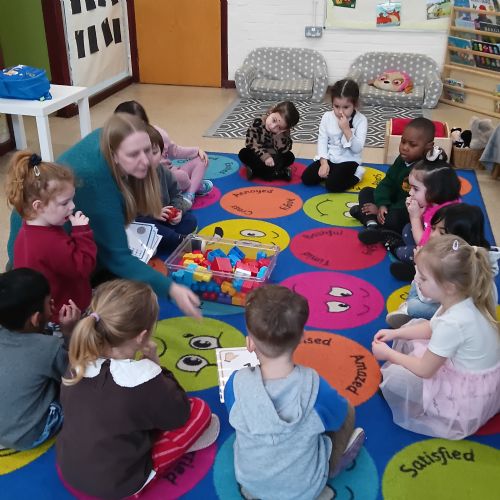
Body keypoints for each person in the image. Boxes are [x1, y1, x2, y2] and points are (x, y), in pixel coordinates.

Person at [7, 113, 201, 318]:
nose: (145, 160)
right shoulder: (96, 185)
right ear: (114, 155)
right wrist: (172, 290)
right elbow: (116, 258)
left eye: (148, 150)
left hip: (52, 245)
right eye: (133, 154)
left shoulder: (109, 138)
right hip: (44, 287)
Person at [56, 279, 219, 499]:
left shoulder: (77, 360)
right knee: (200, 411)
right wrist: (157, 366)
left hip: (68, 469)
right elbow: (179, 415)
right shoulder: (146, 377)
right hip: (119, 484)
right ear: (142, 336)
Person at [225, 285, 365, 500]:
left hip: (251, 483)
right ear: (302, 337)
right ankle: (334, 465)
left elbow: (235, 415)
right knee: (347, 409)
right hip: (305, 490)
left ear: (250, 343)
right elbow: (337, 419)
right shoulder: (315, 387)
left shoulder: (235, 383)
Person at [372, 235, 500, 440]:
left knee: (393, 379)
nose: (416, 281)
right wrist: (396, 333)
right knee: (412, 327)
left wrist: (388, 354)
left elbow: (425, 369)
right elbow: (432, 327)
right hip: (480, 378)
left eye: (423, 278)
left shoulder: (453, 322)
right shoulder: (461, 298)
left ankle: (436, 405)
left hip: (465, 400)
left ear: (449, 286)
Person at [6, 151, 96, 324]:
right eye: (65, 202)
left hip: (49, 310)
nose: (72, 206)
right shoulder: (49, 242)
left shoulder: (28, 229)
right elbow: (84, 267)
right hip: (66, 315)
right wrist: (82, 232)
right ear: (39, 206)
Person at [0, 268, 80, 450]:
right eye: (49, 303)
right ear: (36, 318)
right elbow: (74, 374)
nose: (53, 305)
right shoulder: (49, 347)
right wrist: (70, 334)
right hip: (28, 434)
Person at [387, 203, 500, 328]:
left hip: (458, 316)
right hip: (447, 300)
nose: (432, 235)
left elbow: (426, 297)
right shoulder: (465, 254)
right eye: (433, 228)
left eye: (442, 233)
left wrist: (420, 268)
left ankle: (409, 309)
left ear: (460, 238)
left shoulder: (456, 267)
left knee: (414, 305)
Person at [351, 117, 435, 242]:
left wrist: (385, 210)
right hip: (391, 202)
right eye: (403, 142)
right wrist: (382, 204)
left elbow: (412, 201)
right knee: (366, 191)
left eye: (412, 145)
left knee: (394, 219)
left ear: (428, 147)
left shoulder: (424, 170)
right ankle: (372, 224)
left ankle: (369, 219)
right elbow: (388, 182)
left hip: (406, 209)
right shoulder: (401, 159)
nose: (405, 147)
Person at [114, 100, 212, 207]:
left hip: (170, 172)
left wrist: (196, 150)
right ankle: (195, 185)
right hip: (151, 181)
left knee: (201, 161)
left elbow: (175, 150)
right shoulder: (121, 143)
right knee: (181, 177)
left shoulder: (157, 134)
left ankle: (190, 193)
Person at [388, 157, 461, 281]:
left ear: (435, 191)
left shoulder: (443, 217)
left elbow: (425, 245)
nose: (410, 193)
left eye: (415, 189)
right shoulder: (437, 201)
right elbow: (424, 225)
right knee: (407, 229)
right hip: (429, 243)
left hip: (438, 257)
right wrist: (417, 214)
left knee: (403, 252)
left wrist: (415, 217)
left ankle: (420, 272)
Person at [135, 125, 197, 253]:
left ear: (161, 153)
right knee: (143, 226)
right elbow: (129, 211)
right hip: (145, 220)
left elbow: (177, 195)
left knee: (190, 220)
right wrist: (153, 213)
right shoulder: (131, 177)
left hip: (164, 220)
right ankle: (177, 241)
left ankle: (160, 241)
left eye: (154, 153)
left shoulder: (164, 172)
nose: (149, 158)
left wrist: (177, 211)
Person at [301, 79, 367, 192]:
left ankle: (357, 174)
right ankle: (332, 173)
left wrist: (346, 129)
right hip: (330, 157)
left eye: (346, 107)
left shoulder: (361, 120)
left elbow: (357, 149)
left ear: (354, 104)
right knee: (307, 178)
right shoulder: (327, 117)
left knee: (332, 185)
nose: (340, 111)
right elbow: (322, 141)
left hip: (349, 160)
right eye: (336, 106)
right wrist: (324, 163)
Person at [238, 100, 300, 182]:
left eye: (279, 127)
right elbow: (251, 143)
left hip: (274, 157)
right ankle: (278, 173)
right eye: (273, 120)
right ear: (271, 111)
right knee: (244, 153)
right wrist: (265, 157)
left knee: (290, 156)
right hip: (258, 155)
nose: (273, 126)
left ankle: (258, 172)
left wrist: (279, 134)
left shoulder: (283, 132)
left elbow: (284, 149)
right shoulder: (258, 122)